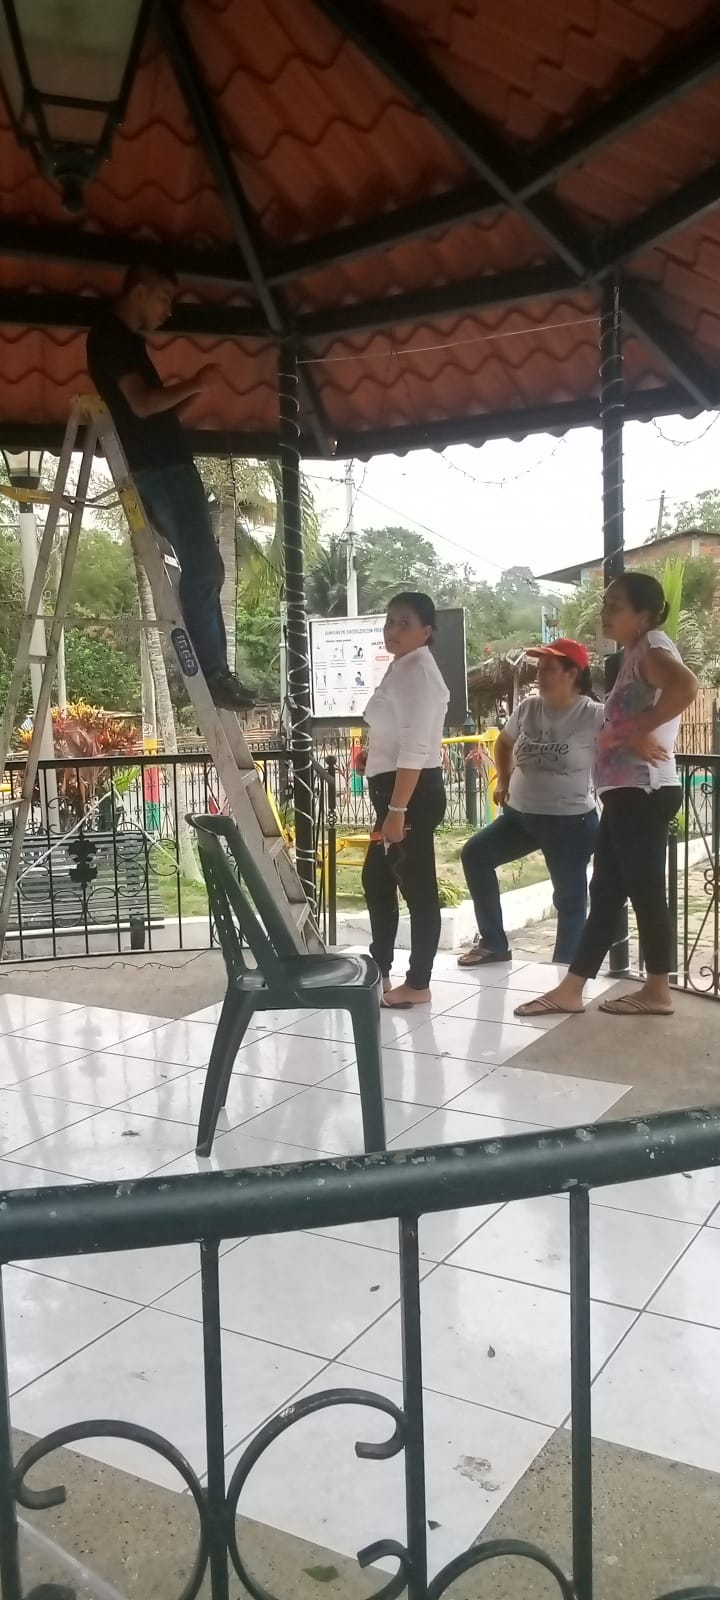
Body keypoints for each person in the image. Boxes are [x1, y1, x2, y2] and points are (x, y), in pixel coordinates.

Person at [515, 573, 699, 1020]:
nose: (604, 612)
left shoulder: (652, 648)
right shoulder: (635, 653)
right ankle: (572, 988)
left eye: (616, 605)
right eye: (605, 603)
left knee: (645, 892)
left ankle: (657, 990)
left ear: (645, 614)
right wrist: (629, 730)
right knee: (606, 891)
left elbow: (687, 686)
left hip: (643, 790)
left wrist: (639, 728)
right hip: (626, 793)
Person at [86, 261, 255, 711]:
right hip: (161, 469)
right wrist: (194, 381)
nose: (168, 310)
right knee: (204, 568)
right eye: (164, 297)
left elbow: (156, 416)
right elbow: (143, 406)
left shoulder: (125, 343)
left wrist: (196, 392)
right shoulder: (112, 338)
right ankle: (212, 674)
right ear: (140, 291)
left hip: (164, 464)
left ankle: (214, 672)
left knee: (204, 567)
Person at [459, 639, 604, 967]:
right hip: (521, 817)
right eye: (538, 669)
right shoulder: (528, 708)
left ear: (572, 674)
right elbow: (503, 743)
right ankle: (494, 944)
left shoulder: (593, 715)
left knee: (569, 900)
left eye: (548, 669)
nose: (540, 675)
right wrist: (504, 780)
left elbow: (621, 748)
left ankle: (565, 971)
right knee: (476, 855)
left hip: (569, 821)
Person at [360, 592, 449, 1007]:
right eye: (390, 621)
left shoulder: (419, 674)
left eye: (405, 623)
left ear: (426, 631)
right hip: (394, 790)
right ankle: (379, 970)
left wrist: (396, 811)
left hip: (409, 795)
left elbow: (416, 748)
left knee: (417, 889)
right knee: (377, 881)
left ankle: (419, 982)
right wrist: (373, 755)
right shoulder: (403, 666)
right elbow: (397, 733)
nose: (393, 630)